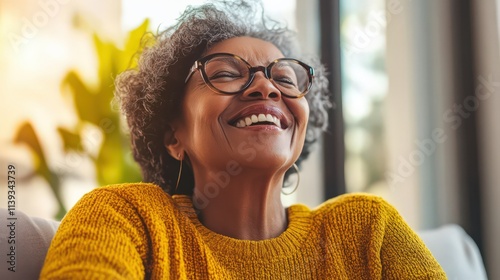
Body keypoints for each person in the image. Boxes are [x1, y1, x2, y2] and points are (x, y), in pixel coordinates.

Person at [41, 1, 446, 279]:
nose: (266, 88)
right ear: (172, 135)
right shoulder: (128, 219)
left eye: (285, 78)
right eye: (226, 72)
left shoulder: (367, 230)